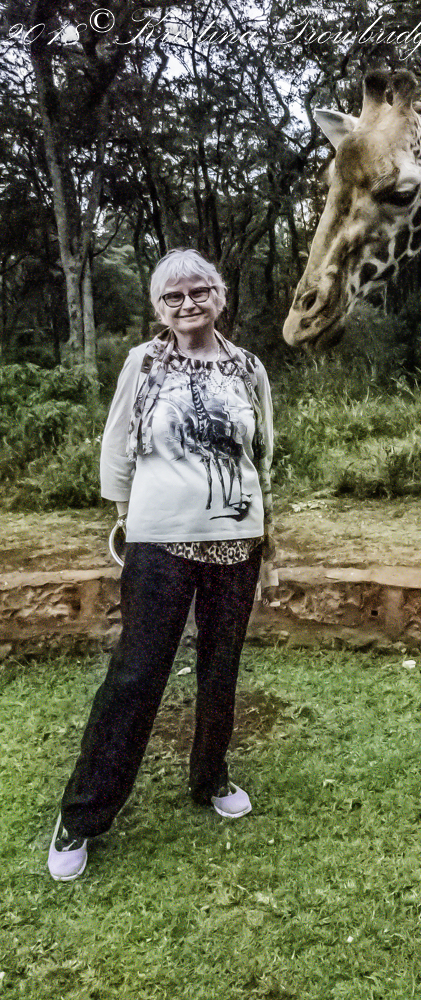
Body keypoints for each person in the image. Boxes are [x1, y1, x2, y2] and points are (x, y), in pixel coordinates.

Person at [48, 249, 274, 881]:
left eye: (199, 291)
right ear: (158, 307)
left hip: (237, 542)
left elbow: (262, 454)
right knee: (137, 674)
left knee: (221, 668)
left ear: (219, 297)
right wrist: (125, 517)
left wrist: (269, 537)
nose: (187, 304)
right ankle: (82, 814)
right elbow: (117, 444)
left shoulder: (248, 367)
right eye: (173, 296)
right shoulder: (143, 363)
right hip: (160, 543)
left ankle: (210, 777)